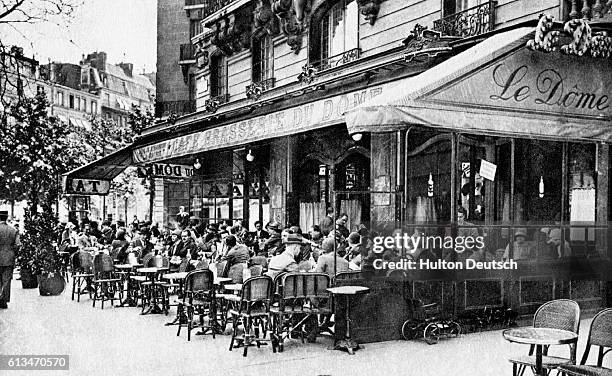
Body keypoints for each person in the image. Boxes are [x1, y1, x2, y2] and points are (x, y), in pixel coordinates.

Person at [0, 210, 20, 309]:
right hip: (9, 258)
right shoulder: (13, 230)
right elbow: (18, 245)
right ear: (6, 218)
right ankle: (4, 300)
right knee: (6, 280)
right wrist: (13, 253)